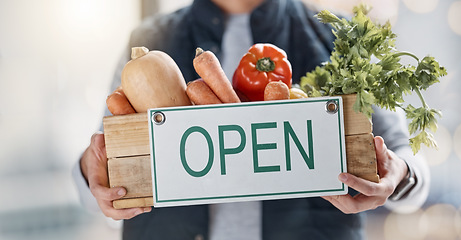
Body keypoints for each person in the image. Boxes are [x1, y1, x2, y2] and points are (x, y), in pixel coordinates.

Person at [73, 0, 430, 239]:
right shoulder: (148, 41)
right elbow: (104, 168)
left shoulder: (337, 37)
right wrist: (94, 176)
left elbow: (403, 160)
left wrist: (397, 175)